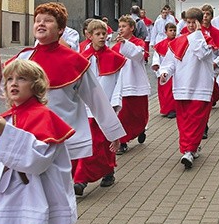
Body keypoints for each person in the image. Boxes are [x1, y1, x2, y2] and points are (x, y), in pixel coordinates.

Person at [0, 2, 125, 163]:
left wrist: (113, 134)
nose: (41, 24)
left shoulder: (75, 61)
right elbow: (7, 94)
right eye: (38, 20)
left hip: (63, 136)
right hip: (27, 135)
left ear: (60, 29)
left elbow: (97, 99)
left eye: (48, 20)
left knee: (57, 185)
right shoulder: (23, 58)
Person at [0, 59, 78, 224]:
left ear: (36, 85)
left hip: (39, 200)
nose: (13, 83)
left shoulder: (45, 117)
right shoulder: (2, 120)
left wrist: (8, 135)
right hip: (6, 203)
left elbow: (38, 161)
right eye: (9, 79)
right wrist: (3, 157)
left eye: (21, 79)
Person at [73, 19, 126, 196]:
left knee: (104, 141)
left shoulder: (114, 58)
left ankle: (106, 171)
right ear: (89, 36)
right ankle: (81, 179)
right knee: (93, 142)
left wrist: (115, 103)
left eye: (104, 34)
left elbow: (119, 83)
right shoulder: (82, 57)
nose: (102, 37)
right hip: (86, 107)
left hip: (106, 105)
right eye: (98, 34)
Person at [158, 7, 215, 169]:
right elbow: (169, 63)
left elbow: (201, 53)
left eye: (193, 22)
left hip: (200, 87)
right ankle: (189, 148)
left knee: (196, 121)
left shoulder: (205, 39)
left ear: (199, 22)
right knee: (183, 122)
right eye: (188, 22)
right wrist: (164, 73)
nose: (190, 25)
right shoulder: (178, 41)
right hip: (182, 87)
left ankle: (189, 151)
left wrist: (197, 33)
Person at [112, 14, 151, 154]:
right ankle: (122, 142)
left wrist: (125, 44)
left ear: (132, 28)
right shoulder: (115, 46)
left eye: (124, 26)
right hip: (121, 85)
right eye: (119, 26)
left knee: (138, 113)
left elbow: (139, 55)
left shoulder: (138, 42)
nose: (121, 29)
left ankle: (140, 129)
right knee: (122, 114)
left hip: (136, 82)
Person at [151, 22, 177, 119]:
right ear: (165, 32)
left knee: (171, 92)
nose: (173, 32)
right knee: (163, 92)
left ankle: (172, 109)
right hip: (162, 71)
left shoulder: (178, 42)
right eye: (170, 30)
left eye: (174, 30)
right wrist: (156, 64)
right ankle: (164, 109)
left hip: (173, 72)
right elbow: (156, 56)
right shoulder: (160, 45)